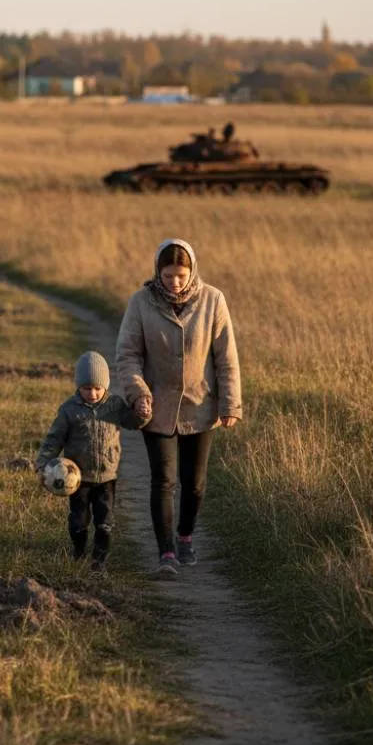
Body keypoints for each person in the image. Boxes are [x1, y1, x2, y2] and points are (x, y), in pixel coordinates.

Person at [116, 239, 242, 578]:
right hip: (155, 408)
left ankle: (185, 537)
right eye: (168, 275)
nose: (175, 282)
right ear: (158, 272)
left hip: (201, 407)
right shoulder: (141, 302)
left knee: (195, 483)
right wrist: (138, 392)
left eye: (181, 275)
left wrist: (230, 403)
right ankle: (166, 553)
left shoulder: (213, 300)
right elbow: (127, 355)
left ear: (192, 272)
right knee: (163, 480)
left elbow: (226, 358)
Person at [36, 351, 151, 575]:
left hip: (107, 477)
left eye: (97, 388)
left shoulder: (115, 405)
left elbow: (133, 423)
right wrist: (44, 462)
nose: (93, 393)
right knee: (79, 521)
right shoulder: (68, 410)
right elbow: (54, 438)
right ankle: (79, 553)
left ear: (105, 386)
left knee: (105, 521)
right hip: (77, 479)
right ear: (78, 386)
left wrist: (143, 414)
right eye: (87, 388)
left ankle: (99, 562)